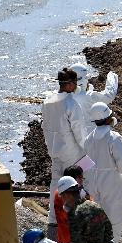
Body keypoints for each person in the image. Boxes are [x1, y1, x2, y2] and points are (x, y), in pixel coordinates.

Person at [83, 102, 122, 243]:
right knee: (114, 216)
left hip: (92, 179)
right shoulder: (113, 137)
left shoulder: (89, 138)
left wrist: (84, 182)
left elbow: (85, 162)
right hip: (111, 180)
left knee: (96, 216)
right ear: (109, 118)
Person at [41, 68, 88, 225]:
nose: (76, 86)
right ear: (69, 84)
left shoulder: (47, 102)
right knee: (80, 179)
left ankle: (53, 218)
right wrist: (88, 149)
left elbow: (44, 127)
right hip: (71, 152)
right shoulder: (71, 104)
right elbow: (79, 132)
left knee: (56, 183)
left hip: (54, 151)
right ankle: (75, 216)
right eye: (74, 83)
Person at [53, 167, 90, 243]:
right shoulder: (65, 196)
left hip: (64, 237)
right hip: (73, 239)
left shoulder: (59, 192)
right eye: (80, 177)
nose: (82, 180)